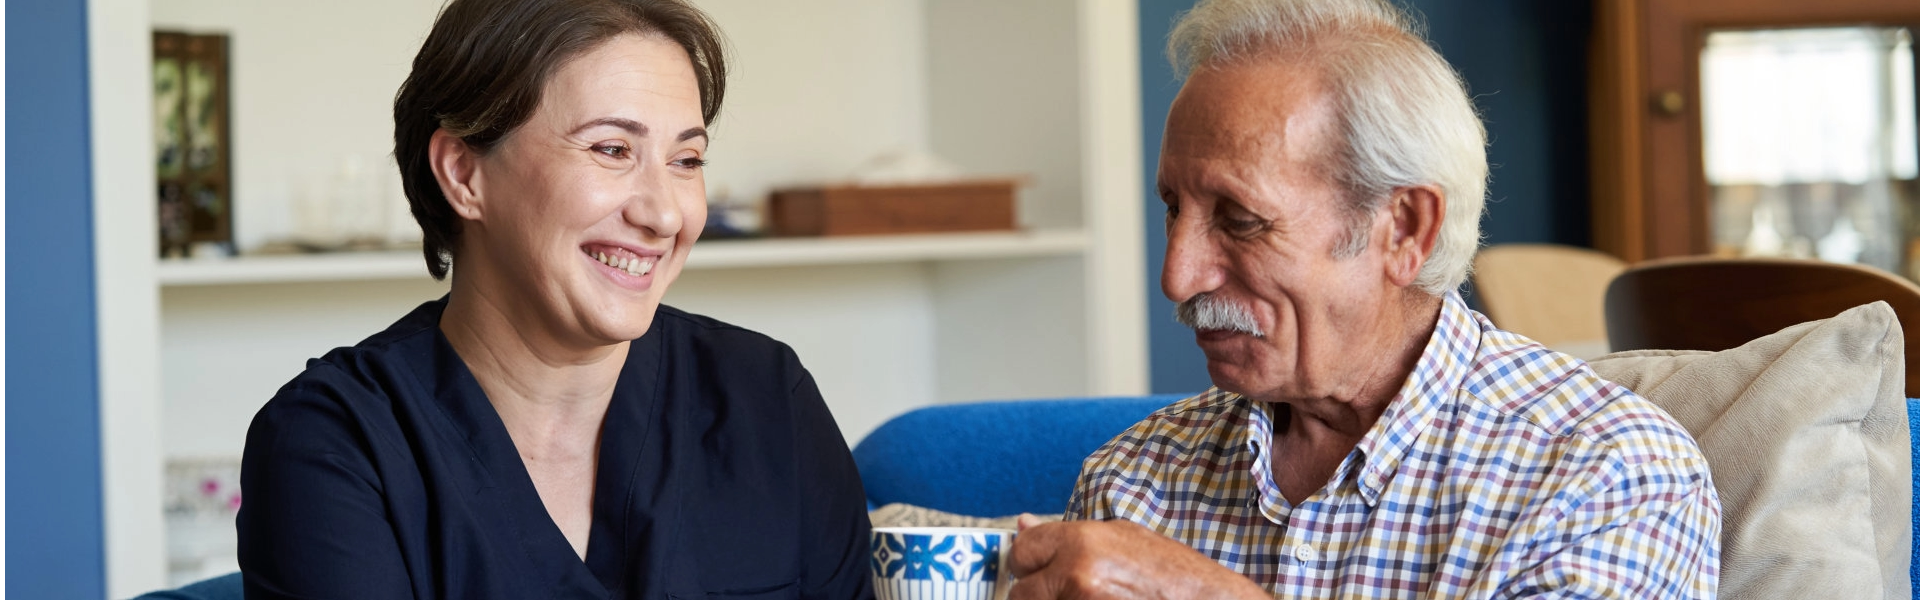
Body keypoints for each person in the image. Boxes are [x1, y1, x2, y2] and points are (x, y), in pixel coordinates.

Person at [1007, 0, 1720, 597]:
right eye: (1173, 207)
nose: (1178, 275)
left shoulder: (1606, 476)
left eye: (1240, 219)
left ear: (1404, 228)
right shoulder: (1134, 484)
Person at [235, 0, 873, 598]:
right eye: (611, 149)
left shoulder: (766, 400)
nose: (664, 214)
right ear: (464, 173)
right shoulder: (335, 445)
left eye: (686, 160)